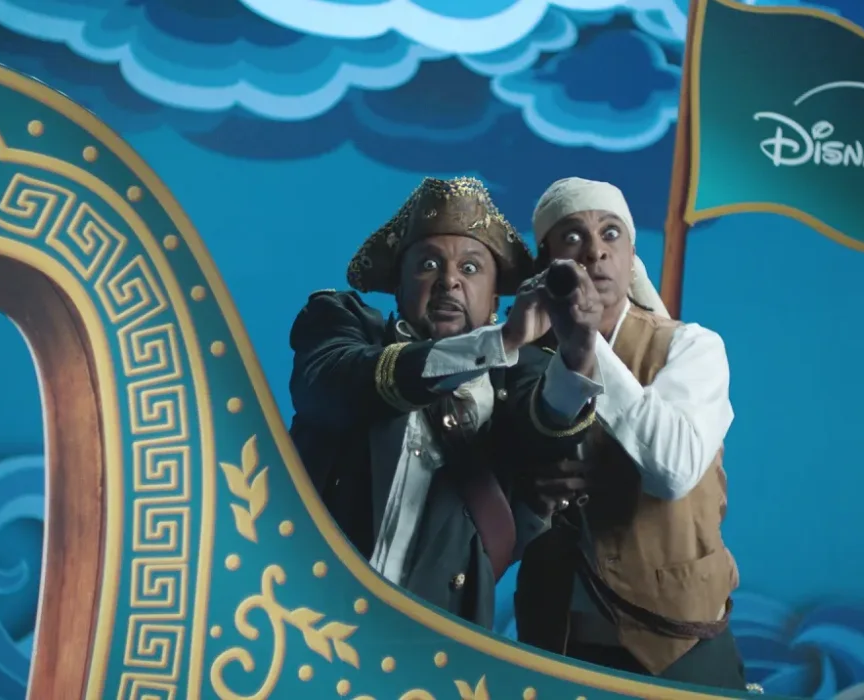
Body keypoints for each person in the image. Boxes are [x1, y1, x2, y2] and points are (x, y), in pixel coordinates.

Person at [288, 176, 603, 628]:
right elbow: (332, 385)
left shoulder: (521, 374)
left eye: (471, 268)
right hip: (305, 614)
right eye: (429, 264)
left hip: (435, 642)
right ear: (399, 284)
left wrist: (579, 350)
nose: (449, 280)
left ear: (495, 297)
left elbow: (545, 429)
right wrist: (502, 339)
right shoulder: (341, 322)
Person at [513, 177, 745, 690]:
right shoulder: (522, 360)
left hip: (680, 642)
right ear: (547, 263)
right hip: (559, 640)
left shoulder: (692, 348)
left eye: (611, 233)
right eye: (573, 236)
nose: (595, 251)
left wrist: (586, 347)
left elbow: (673, 470)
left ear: (631, 256)